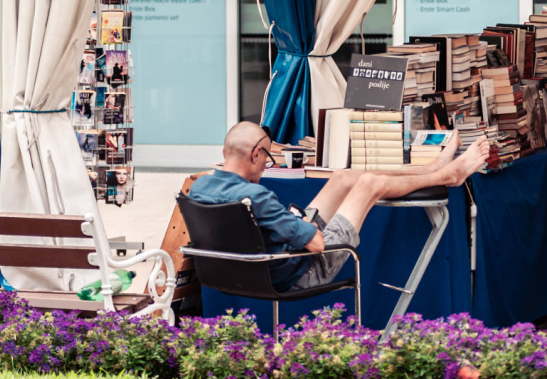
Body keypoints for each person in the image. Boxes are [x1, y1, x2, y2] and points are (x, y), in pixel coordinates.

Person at [188, 121, 488, 293]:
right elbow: (317, 244)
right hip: (299, 273)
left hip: (246, 272)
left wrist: (293, 222)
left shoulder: (199, 187)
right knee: (369, 183)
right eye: (267, 158)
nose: (268, 165)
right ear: (255, 154)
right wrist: (298, 224)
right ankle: (447, 175)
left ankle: (430, 169)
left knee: (343, 177)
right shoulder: (256, 196)